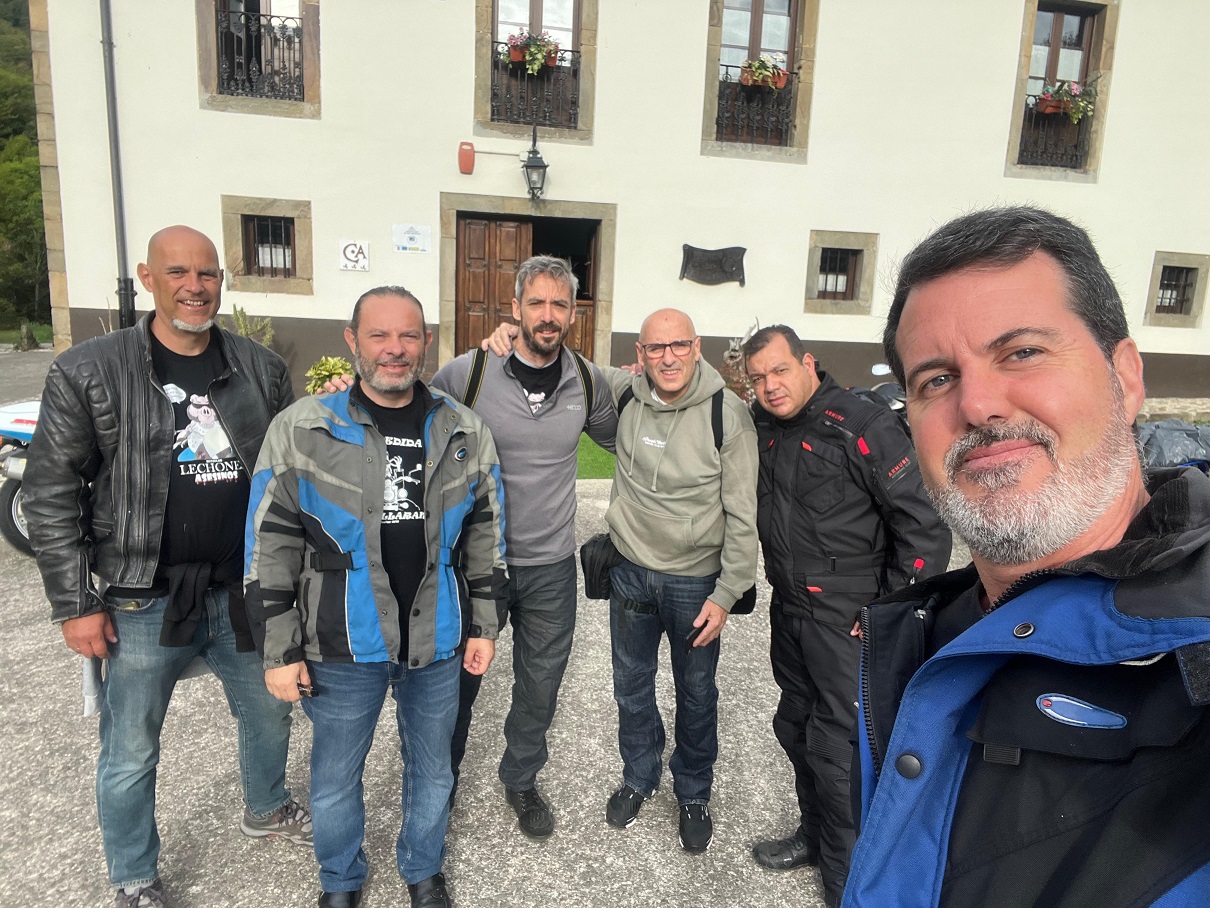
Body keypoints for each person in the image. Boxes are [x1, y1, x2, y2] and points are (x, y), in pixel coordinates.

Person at [844, 207, 1210, 908]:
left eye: (1021, 353)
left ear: (1126, 377)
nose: (978, 405)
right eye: (936, 380)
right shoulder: (924, 636)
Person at [23, 225, 310, 908]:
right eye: (178, 272)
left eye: (207, 273)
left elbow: (293, 474)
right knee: (130, 748)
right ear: (148, 277)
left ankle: (266, 806)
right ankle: (133, 874)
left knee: (272, 713)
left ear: (221, 282)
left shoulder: (260, 369)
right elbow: (50, 490)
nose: (195, 286)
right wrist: (75, 602)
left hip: (242, 589)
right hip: (140, 597)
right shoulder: (90, 370)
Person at [245, 287, 507, 908]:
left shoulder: (464, 429)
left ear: (426, 342)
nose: (395, 349)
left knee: (434, 768)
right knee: (335, 777)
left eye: (409, 335)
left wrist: (484, 625)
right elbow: (268, 545)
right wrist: (280, 650)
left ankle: (424, 869)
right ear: (352, 341)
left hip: (437, 637)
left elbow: (487, 534)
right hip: (340, 641)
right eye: (380, 335)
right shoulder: (302, 428)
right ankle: (339, 880)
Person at [742, 325, 951, 908]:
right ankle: (814, 838)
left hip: (847, 619)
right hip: (791, 610)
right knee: (796, 727)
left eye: (780, 370)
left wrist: (889, 607)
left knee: (840, 750)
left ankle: (846, 879)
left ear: (808, 362)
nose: (770, 386)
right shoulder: (763, 428)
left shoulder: (861, 424)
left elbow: (924, 526)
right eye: (757, 378)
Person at [430, 255, 617, 838]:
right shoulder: (469, 374)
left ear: (573, 314)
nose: (548, 314)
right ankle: (439, 783)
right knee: (455, 686)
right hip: (475, 565)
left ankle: (521, 778)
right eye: (536, 302)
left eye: (560, 304)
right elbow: (405, 415)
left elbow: (634, 441)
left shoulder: (586, 381)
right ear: (515, 308)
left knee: (540, 687)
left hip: (551, 568)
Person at [600, 308, 758, 853]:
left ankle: (693, 791)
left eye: (678, 345)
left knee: (695, 693)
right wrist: (503, 342)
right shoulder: (626, 394)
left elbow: (743, 514)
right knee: (631, 685)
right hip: (630, 572)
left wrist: (727, 593)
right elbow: (567, 367)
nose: (668, 358)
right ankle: (639, 775)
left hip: (696, 583)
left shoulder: (726, 414)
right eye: (655, 348)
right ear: (640, 355)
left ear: (696, 347)